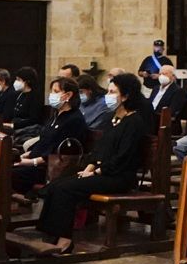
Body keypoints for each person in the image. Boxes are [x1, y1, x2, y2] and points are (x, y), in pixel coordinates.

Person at [37, 72, 153, 253]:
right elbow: (99, 150)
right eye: (108, 91)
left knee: (66, 189)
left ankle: (65, 240)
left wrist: (96, 172)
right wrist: (90, 167)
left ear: (126, 96)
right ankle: (49, 235)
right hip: (102, 171)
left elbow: (124, 157)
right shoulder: (112, 119)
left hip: (118, 177)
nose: (109, 96)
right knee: (57, 184)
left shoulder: (134, 122)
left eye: (113, 92)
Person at [11, 76, 91, 196]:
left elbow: (60, 153)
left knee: (9, 173)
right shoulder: (55, 115)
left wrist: (30, 161)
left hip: (50, 168)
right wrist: (25, 155)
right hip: (38, 162)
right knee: (3, 167)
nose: (52, 95)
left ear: (68, 95)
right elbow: (44, 141)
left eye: (56, 91)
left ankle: (6, 206)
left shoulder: (74, 119)